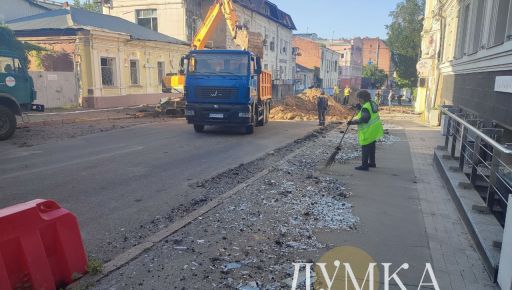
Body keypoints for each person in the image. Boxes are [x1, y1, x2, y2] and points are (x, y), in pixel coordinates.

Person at [347, 90, 384, 171]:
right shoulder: (372, 103)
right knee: (371, 147)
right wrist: (360, 107)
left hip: (369, 131)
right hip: (375, 129)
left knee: (365, 147)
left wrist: (352, 122)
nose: (358, 100)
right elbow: (370, 112)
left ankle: (364, 165)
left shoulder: (365, 107)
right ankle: (372, 163)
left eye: (359, 98)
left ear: (362, 98)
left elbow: (364, 119)